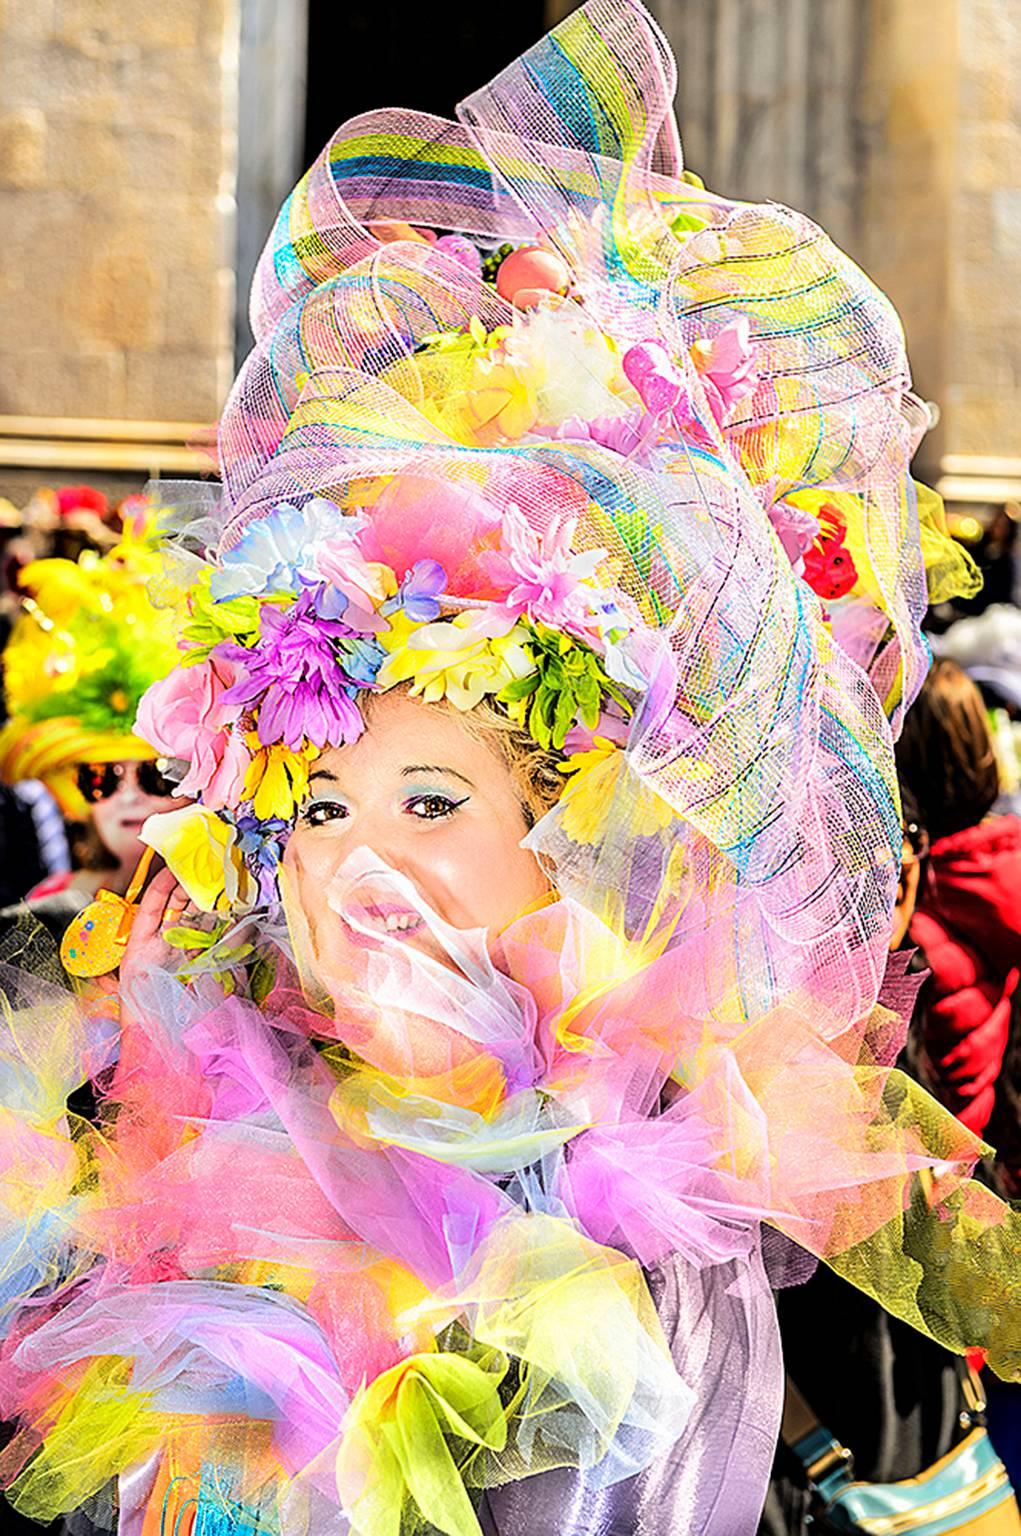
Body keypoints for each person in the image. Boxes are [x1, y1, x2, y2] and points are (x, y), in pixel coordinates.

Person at [1, 5, 1021, 1535]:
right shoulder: (157, 1160)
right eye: (320, 807)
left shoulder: (694, 1199)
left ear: (580, 832)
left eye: (433, 802)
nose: (358, 868)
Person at [0, 511, 186, 930]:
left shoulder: (229, 908)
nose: (130, 795)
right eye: (102, 777)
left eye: (160, 775)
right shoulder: (38, 917)